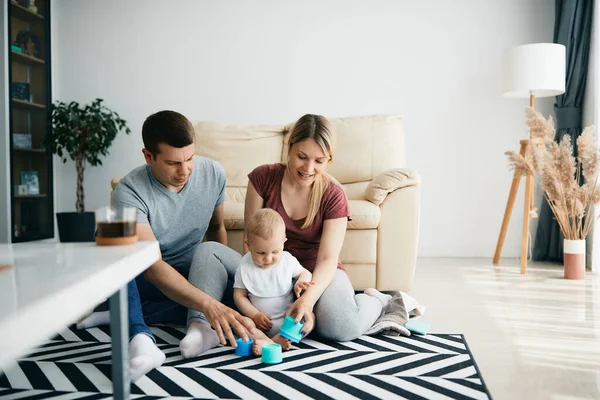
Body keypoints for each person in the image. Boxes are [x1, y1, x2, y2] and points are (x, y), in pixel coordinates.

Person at [83, 110, 254, 380]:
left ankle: (120, 311)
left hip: (190, 276)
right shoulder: (129, 191)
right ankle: (140, 339)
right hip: (144, 278)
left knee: (236, 302)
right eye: (174, 162)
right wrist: (207, 304)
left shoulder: (213, 173)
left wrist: (216, 288)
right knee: (108, 235)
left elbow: (216, 229)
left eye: (190, 159)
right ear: (148, 156)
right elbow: (152, 267)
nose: (185, 170)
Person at [244, 114, 393, 341]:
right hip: (271, 266)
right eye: (302, 157)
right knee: (211, 256)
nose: (309, 168)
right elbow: (251, 242)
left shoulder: (333, 194)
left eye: (319, 161)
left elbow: (327, 260)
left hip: (320, 273)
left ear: (329, 160)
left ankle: (377, 300)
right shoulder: (262, 178)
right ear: (289, 149)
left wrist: (307, 300)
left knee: (340, 327)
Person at [233, 208, 314, 355]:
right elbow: (239, 296)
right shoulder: (244, 266)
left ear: (284, 241)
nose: (268, 258)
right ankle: (270, 342)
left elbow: (306, 273)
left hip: (287, 321)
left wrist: (300, 282)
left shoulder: (287, 260)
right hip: (259, 325)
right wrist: (255, 315)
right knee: (243, 325)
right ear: (248, 244)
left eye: (275, 252)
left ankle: (274, 341)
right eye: (261, 253)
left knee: (307, 319)